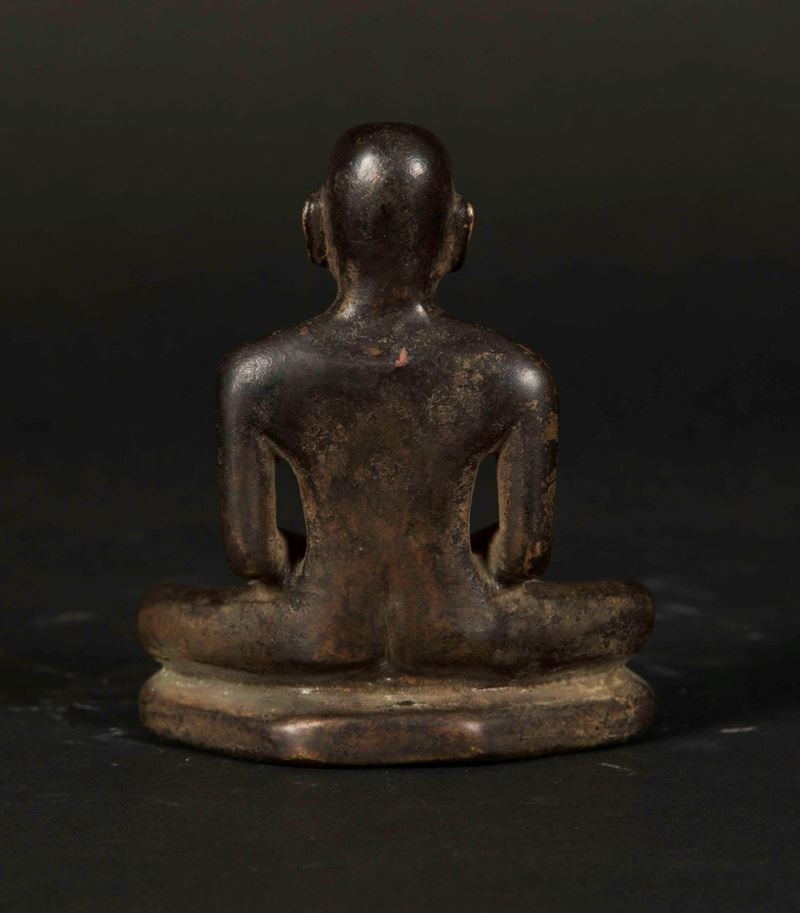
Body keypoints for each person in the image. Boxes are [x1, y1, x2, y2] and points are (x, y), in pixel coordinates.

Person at [140, 123, 653, 680]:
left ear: (315, 226)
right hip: (468, 626)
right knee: (630, 609)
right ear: (459, 230)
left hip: (312, 630)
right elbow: (521, 558)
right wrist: (436, 562)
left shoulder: (258, 374)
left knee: (158, 614)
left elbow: (254, 558)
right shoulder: (514, 375)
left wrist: (340, 568)